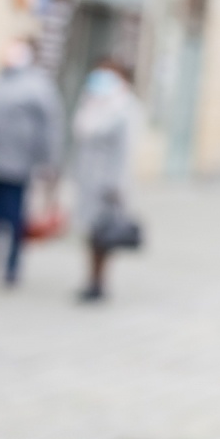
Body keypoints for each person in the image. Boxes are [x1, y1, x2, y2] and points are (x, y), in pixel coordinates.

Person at [0, 39, 64, 286]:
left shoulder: (38, 87)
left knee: (13, 219)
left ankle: (11, 268)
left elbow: (50, 127)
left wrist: (50, 162)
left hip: (16, 166)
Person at [72, 61, 140, 302]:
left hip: (109, 183)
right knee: (91, 232)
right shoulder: (93, 102)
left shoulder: (124, 107)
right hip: (89, 179)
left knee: (105, 233)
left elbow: (126, 151)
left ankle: (98, 282)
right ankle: (91, 278)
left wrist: (117, 185)